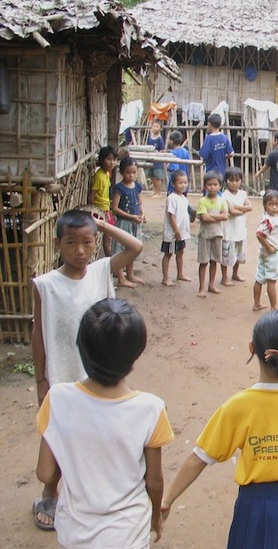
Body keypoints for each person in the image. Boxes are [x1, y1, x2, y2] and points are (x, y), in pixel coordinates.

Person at [160, 310, 278, 548]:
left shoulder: (239, 405)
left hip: (255, 505)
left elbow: (200, 457)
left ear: (252, 348)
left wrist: (167, 500)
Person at [30, 209, 143, 531]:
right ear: (58, 244)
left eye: (87, 241)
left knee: (94, 436)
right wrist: (41, 379)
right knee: (56, 438)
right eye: (71, 243)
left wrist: (104, 224)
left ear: (96, 242)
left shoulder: (100, 271)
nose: (79, 251)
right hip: (62, 376)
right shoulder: (45, 285)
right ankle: (49, 492)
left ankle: (85, 495)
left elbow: (135, 247)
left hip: (100, 376)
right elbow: (39, 334)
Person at [36, 298, 174, 547]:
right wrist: (155, 517)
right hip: (127, 534)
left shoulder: (57, 398)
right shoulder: (151, 408)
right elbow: (154, 481)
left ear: (81, 346)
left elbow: (45, 472)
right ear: (136, 353)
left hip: (75, 531)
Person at [111, 157, 146, 288]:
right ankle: (121, 277)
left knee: (133, 248)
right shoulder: (119, 188)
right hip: (123, 223)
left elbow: (140, 202)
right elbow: (114, 209)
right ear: (121, 172)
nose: (131, 175)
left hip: (135, 222)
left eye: (133, 172)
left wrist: (142, 214)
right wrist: (131, 216)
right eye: (128, 172)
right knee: (121, 249)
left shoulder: (137, 186)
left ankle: (130, 274)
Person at [196, 171, 228, 297]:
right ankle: (201, 287)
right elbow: (204, 218)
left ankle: (211, 285)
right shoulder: (202, 201)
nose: (212, 187)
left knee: (214, 261)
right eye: (209, 184)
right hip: (205, 235)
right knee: (203, 262)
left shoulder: (222, 201)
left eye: (215, 184)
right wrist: (218, 216)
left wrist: (210, 215)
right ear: (205, 186)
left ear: (220, 185)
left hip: (217, 234)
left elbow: (225, 216)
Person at [253, 190, 278, 311]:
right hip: (271, 253)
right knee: (271, 280)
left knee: (259, 277)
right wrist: (268, 247)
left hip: (266, 253)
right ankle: (274, 306)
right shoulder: (268, 221)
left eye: (277, 204)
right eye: (271, 204)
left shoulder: (271, 217)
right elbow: (259, 234)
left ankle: (257, 303)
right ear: (265, 206)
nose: (274, 207)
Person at [221, 167, 252, 286]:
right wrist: (242, 209)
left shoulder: (243, 194)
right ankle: (224, 277)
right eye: (231, 180)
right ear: (226, 181)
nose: (234, 183)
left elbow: (250, 207)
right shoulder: (225, 195)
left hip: (240, 229)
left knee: (239, 252)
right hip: (229, 230)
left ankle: (235, 273)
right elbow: (232, 212)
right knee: (227, 254)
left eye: (237, 180)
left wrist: (238, 207)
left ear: (241, 181)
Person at [161, 170, 192, 287]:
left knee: (180, 252)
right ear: (173, 184)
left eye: (185, 182)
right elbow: (171, 216)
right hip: (173, 233)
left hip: (181, 232)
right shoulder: (172, 198)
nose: (183, 185)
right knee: (168, 253)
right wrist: (176, 231)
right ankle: (165, 278)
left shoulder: (184, 198)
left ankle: (180, 273)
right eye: (180, 183)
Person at [88, 145, 117, 257]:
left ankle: (109, 260)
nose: (112, 163)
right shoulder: (99, 176)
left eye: (114, 160)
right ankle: (109, 261)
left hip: (106, 209)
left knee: (108, 237)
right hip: (100, 211)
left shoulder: (107, 174)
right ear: (101, 160)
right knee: (106, 238)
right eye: (108, 159)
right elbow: (91, 197)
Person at [166, 130, 191, 195]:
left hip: (176, 185)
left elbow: (175, 170)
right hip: (184, 181)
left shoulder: (173, 154)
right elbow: (190, 164)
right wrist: (188, 176)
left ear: (171, 141)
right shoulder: (185, 151)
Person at [146, 120, 166, 198]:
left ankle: (159, 193)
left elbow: (162, 150)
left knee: (158, 177)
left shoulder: (160, 139)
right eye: (154, 126)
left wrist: (158, 153)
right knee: (151, 175)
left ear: (160, 128)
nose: (155, 128)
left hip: (157, 160)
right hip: (150, 159)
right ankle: (155, 190)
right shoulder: (149, 137)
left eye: (157, 126)